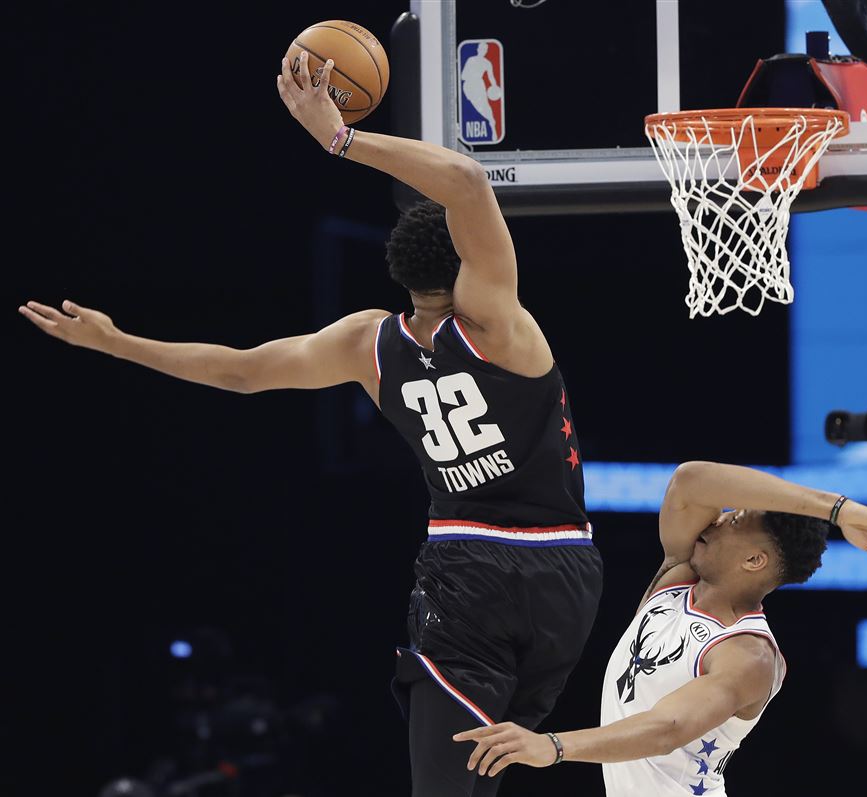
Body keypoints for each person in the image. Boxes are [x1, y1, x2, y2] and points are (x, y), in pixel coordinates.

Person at [18, 51, 602, 797]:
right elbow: (466, 180)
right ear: (466, 259)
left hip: (471, 569)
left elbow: (239, 370)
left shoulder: (368, 344)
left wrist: (118, 342)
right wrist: (342, 138)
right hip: (567, 573)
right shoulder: (500, 324)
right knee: (497, 770)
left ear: (399, 272)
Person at [455, 461, 867, 796]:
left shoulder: (748, 654)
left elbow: (669, 726)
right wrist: (840, 510)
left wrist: (552, 747)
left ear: (755, 560)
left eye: (734, 519)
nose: (717, 518)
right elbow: (690, 481)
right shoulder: (677, 577)